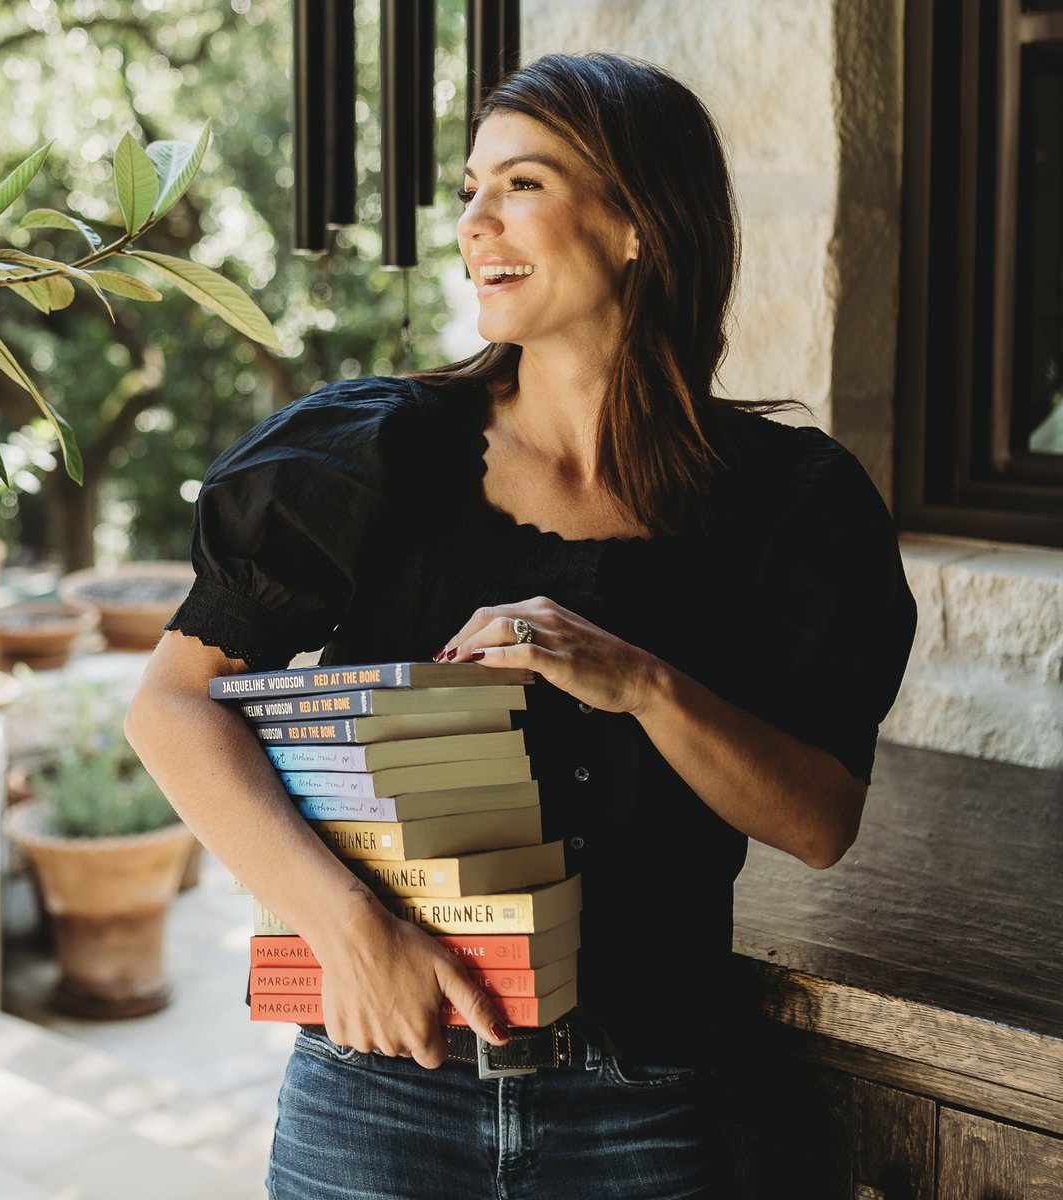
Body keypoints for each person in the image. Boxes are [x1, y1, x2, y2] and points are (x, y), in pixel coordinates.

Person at [125, 51, 917, 1200]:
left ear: (642, 223)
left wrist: (640, 680)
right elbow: (170, 705)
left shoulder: (793, 503)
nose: (475, 224)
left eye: (523, 185)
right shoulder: (376, 456)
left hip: (649, 1105)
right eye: (468, 190)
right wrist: (348, 930)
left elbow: (820, 821)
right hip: (383, 1085)